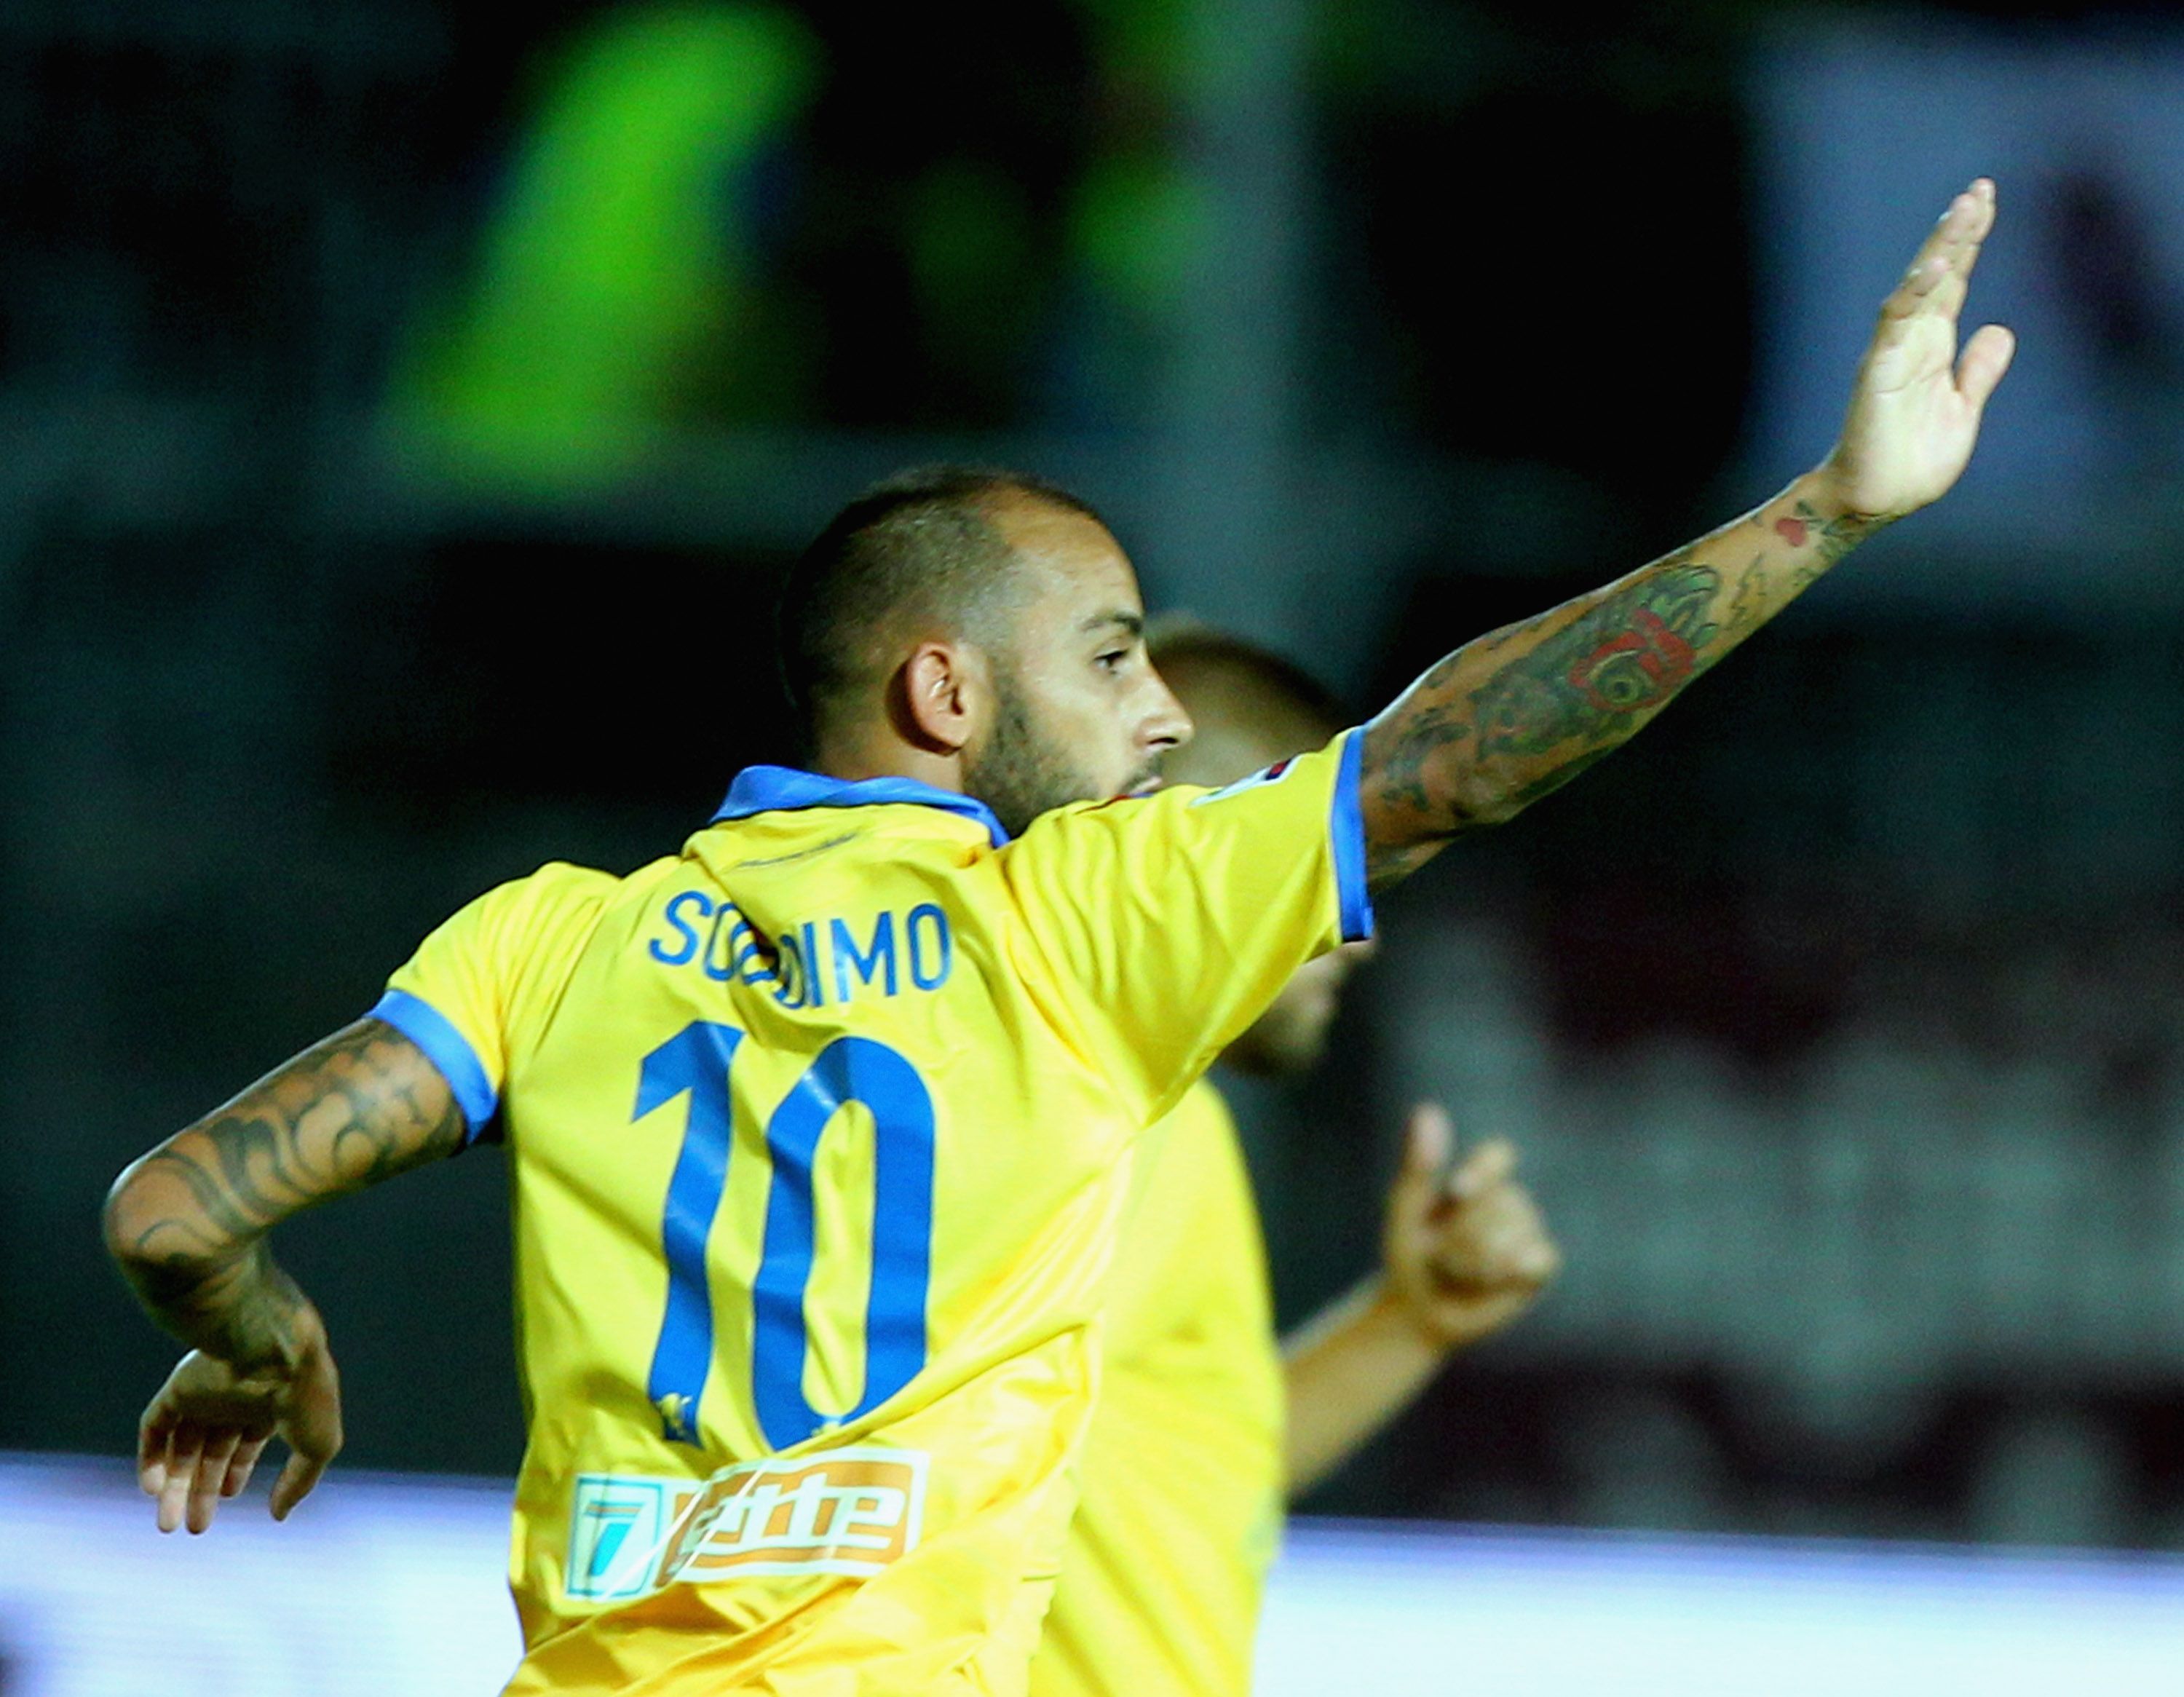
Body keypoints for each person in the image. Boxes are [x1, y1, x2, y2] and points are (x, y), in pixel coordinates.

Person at [102, 181, 2011, 1695]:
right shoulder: (1076, 936)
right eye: (1109, 657)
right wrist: (1827, 512)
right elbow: (1456, 756)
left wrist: (260, 1335)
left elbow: (173, 1211)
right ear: (946, 689)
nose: (1160, 716)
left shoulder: (548, 944)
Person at [1029, 623, 1561, 1697]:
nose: (1358, 938)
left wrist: (1407, 1325)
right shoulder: (1102, 1122)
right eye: (1314, 870)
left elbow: (1190, 1474)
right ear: (1192, 849)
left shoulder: (1163, 1121)